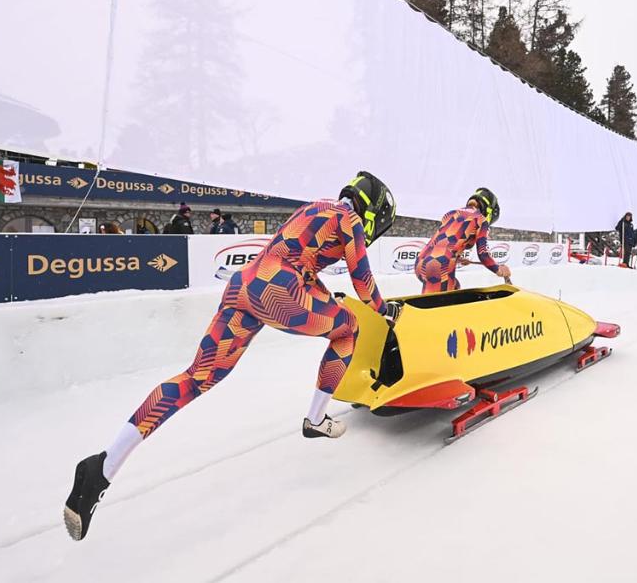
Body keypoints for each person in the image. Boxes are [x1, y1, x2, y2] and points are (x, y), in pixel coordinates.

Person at [64, 172, 398, 541]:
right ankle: (315, 419)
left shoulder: (314, 207)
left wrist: (317, 290)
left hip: (244, 286)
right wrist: (385, 310)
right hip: (280, 291)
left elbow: (294, 254)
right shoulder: (348, 219)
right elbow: (363, 282)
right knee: (349, 327)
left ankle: (103, 467)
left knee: (196, 378)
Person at [414, 188, 511, 293]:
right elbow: (483, 254)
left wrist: (458, 259)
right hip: (440, 266)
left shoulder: (450, 214)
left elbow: (443, 243)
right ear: (489, 211)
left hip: (420, 262)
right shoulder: (481, 219)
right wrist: (499, 269)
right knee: (442, 306)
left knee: (455, 288)